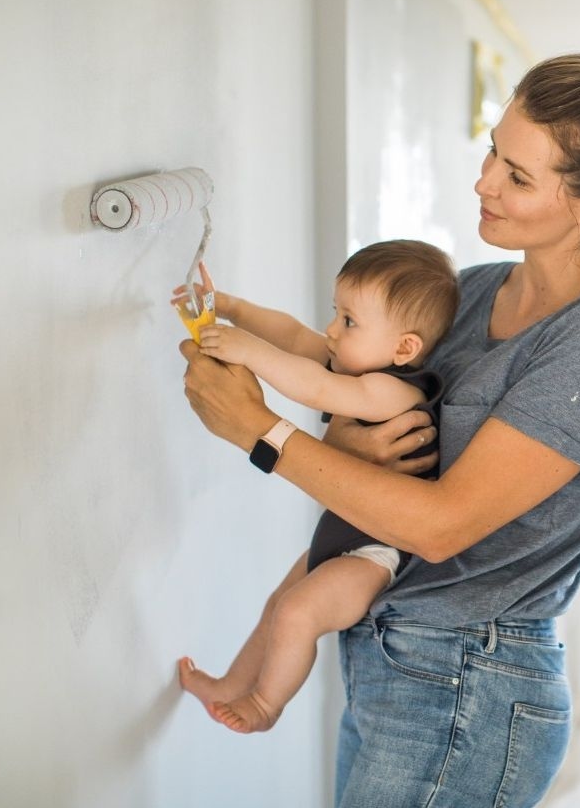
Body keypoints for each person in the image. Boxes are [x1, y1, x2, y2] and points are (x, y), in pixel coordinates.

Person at [179, 54, 580, 807]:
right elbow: (374, 421)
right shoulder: (477, 289)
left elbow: (439, 525)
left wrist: (259, 431)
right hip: (395, 659)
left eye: (519, 177)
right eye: (494, 150)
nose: (484, 180)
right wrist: (335, 440)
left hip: (469, 684)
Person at [174, 240, 459, 734]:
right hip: (344, 538)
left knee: (296, 613)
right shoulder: (352, 363)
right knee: (275, 608)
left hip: (377, 555)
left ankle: (265, 705)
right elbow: (290, 334)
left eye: (349, 321)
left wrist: (248, 352)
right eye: (335, 312)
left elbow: (315, 387)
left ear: (405, 347)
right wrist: (232, 309)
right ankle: (226, 687)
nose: (330, 330)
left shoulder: (396, 389)